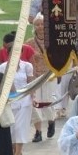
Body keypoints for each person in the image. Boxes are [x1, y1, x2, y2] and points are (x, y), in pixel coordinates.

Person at [24, 15, 56, 143]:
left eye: (42, 24)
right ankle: (38, 131)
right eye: (37, 24)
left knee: (47, 101)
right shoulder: (29, 42)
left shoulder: (52, 41)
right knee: (35, 102)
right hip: (34, 76)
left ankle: (51, 120)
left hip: (49, 75)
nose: (40, 27)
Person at [0, 53, 33, 155]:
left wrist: (34, 98)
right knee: (12, 128)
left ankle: (17, 154)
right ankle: (15, 150)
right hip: (9, 101)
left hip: (24, 100)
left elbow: (31, 84)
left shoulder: (27, 66)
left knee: (20, 128)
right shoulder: (3, 67)